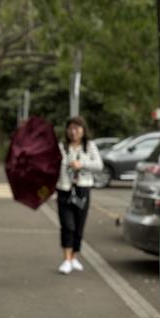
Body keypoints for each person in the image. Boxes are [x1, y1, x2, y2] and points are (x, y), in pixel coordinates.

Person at [56, 116, 103, 275]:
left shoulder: (89, 146)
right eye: (71, 128)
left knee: (79, 227)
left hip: (83, 190)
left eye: (77, 128)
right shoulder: (62, 147)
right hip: (64, 189)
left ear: (83, 130)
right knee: (67, 225)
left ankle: (74, 256)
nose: (73, 131)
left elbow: (99, 165)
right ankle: (66, 259)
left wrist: (81, 164)